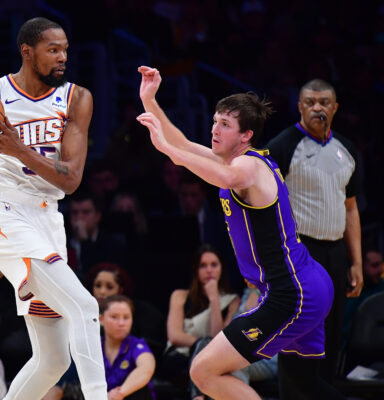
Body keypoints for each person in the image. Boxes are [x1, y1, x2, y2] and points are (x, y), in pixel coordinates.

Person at [137, 65, 335, 400]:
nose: (214, 129)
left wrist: (170, 154)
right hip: (307, 283)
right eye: (214, 120)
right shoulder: (232, 159)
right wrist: (150, 100)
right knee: (305, 387)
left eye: (224, 125)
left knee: (203, 369)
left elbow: (219, 175)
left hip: (293, 294)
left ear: (245, 136)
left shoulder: (247, 166)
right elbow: (182, 142)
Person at [0, 17, 107, 400]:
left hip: (49, 219)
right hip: (5, 212)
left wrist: (18, 148)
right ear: (27, 52)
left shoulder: (77, 97)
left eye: (65, 49)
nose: (63, 57)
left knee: (52, 360)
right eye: (53, 50)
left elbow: (71, 178)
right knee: (85, 306)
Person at [266, 79, 363, 384]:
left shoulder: (346, 149)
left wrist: (356, 260)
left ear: (335, 108)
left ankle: (327, 389)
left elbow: (350, 208)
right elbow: (263, 206)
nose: (317, 107)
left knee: (333, 329)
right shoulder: (283, 145)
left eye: (323, 102)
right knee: (298, 329)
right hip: (300, 251)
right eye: (310, 102)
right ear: (299, 107)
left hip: (335, 251)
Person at [163, 244, 239, 397]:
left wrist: (214, 300)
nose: (209, 270)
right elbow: (175, 336)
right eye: (203, 266)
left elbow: (219, 338)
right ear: (196, 271)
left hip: (213, 360)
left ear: (222, 268)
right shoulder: (179, 296)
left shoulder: (232, 301)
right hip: (179, 358)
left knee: (214, 367)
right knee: (205, 354)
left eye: (214, 265)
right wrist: (203, 344)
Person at [100, 295, 156, 400]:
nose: (121, 323)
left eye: (126, 317)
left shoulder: (137, 345)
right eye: (114, 317)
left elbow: (146, 369)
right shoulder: (94, 347)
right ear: (101, 319)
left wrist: (119, 394)